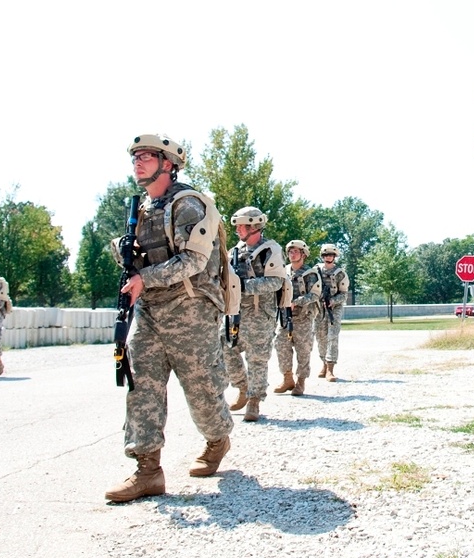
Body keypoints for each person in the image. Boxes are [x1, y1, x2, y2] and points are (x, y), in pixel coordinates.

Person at [104, 133, 235, 504]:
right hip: (151, 311)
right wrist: (123, 252)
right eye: (135, 158)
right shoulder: (143, 209)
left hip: (190, 309)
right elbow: (139, 261)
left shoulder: (189, 204)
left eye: (146, 156)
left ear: (169, 163)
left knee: (201, 388)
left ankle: (217, 438)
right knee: (142, 386)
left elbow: (193, 261)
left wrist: (144, 278)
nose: (137, 163)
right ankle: (147, 470)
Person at [224, 206, 286, 422]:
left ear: (254, 226)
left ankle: (254, 400)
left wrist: (243, 286)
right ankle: (242, 387)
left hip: (261, 314)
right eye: (238, 226)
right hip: (236, 313)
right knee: (226, 349)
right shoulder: (234, 251)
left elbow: (276, 281)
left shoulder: (271, 250)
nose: (238, 230)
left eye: (242, 226)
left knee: (257, 358)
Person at [273, 240, 322, 397]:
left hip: (303, 317)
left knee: (303, 350)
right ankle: (287, 378)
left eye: (296, 251)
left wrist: (297, 302)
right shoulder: (283, 271)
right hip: (284, 317)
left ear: (303, 254)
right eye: (290, 251)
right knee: (281, 345)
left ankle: (300, 381)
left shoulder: (311, 274)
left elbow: (315, 295)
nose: (292, 254)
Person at [314, 243, 349, 381]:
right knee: (320, 336)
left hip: (335, 307)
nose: (328, 257)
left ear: (335, 256)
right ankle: (323, 363)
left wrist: (333, 301)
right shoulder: (316, 271)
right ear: (322, 256)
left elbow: (344, 294)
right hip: (319, 307)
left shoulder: (340, 274)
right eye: (326, 255)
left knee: (332, 337)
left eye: (331, 255)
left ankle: (330, 369)